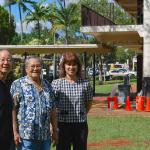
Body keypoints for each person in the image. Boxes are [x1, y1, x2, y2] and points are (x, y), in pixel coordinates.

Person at [10, 56, 58, 150]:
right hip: (25, 138)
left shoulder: (48, 85)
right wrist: (15, 132)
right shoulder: (17, 84)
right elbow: (13, 110)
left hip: (45, 136)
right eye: (32, 66)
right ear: (26, 69)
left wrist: (55, 130)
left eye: (38, 66)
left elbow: (53, 109)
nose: (35, 69)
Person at [51, 52, 93, 150]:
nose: (71, 67)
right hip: (62, 125)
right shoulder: (56, 83)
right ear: (64, 66)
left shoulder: (85, 84)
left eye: (74, 64)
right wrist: (53, 127)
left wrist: (81, 113)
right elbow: (52, 106)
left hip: (80, 125)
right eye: (68, 64)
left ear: (78, 67)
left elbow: (89, 103)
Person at [0, 49, 15, 150]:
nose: (6, 62)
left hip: (6, 139)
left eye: (9, 60)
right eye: (2, 60)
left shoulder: (8, 85)